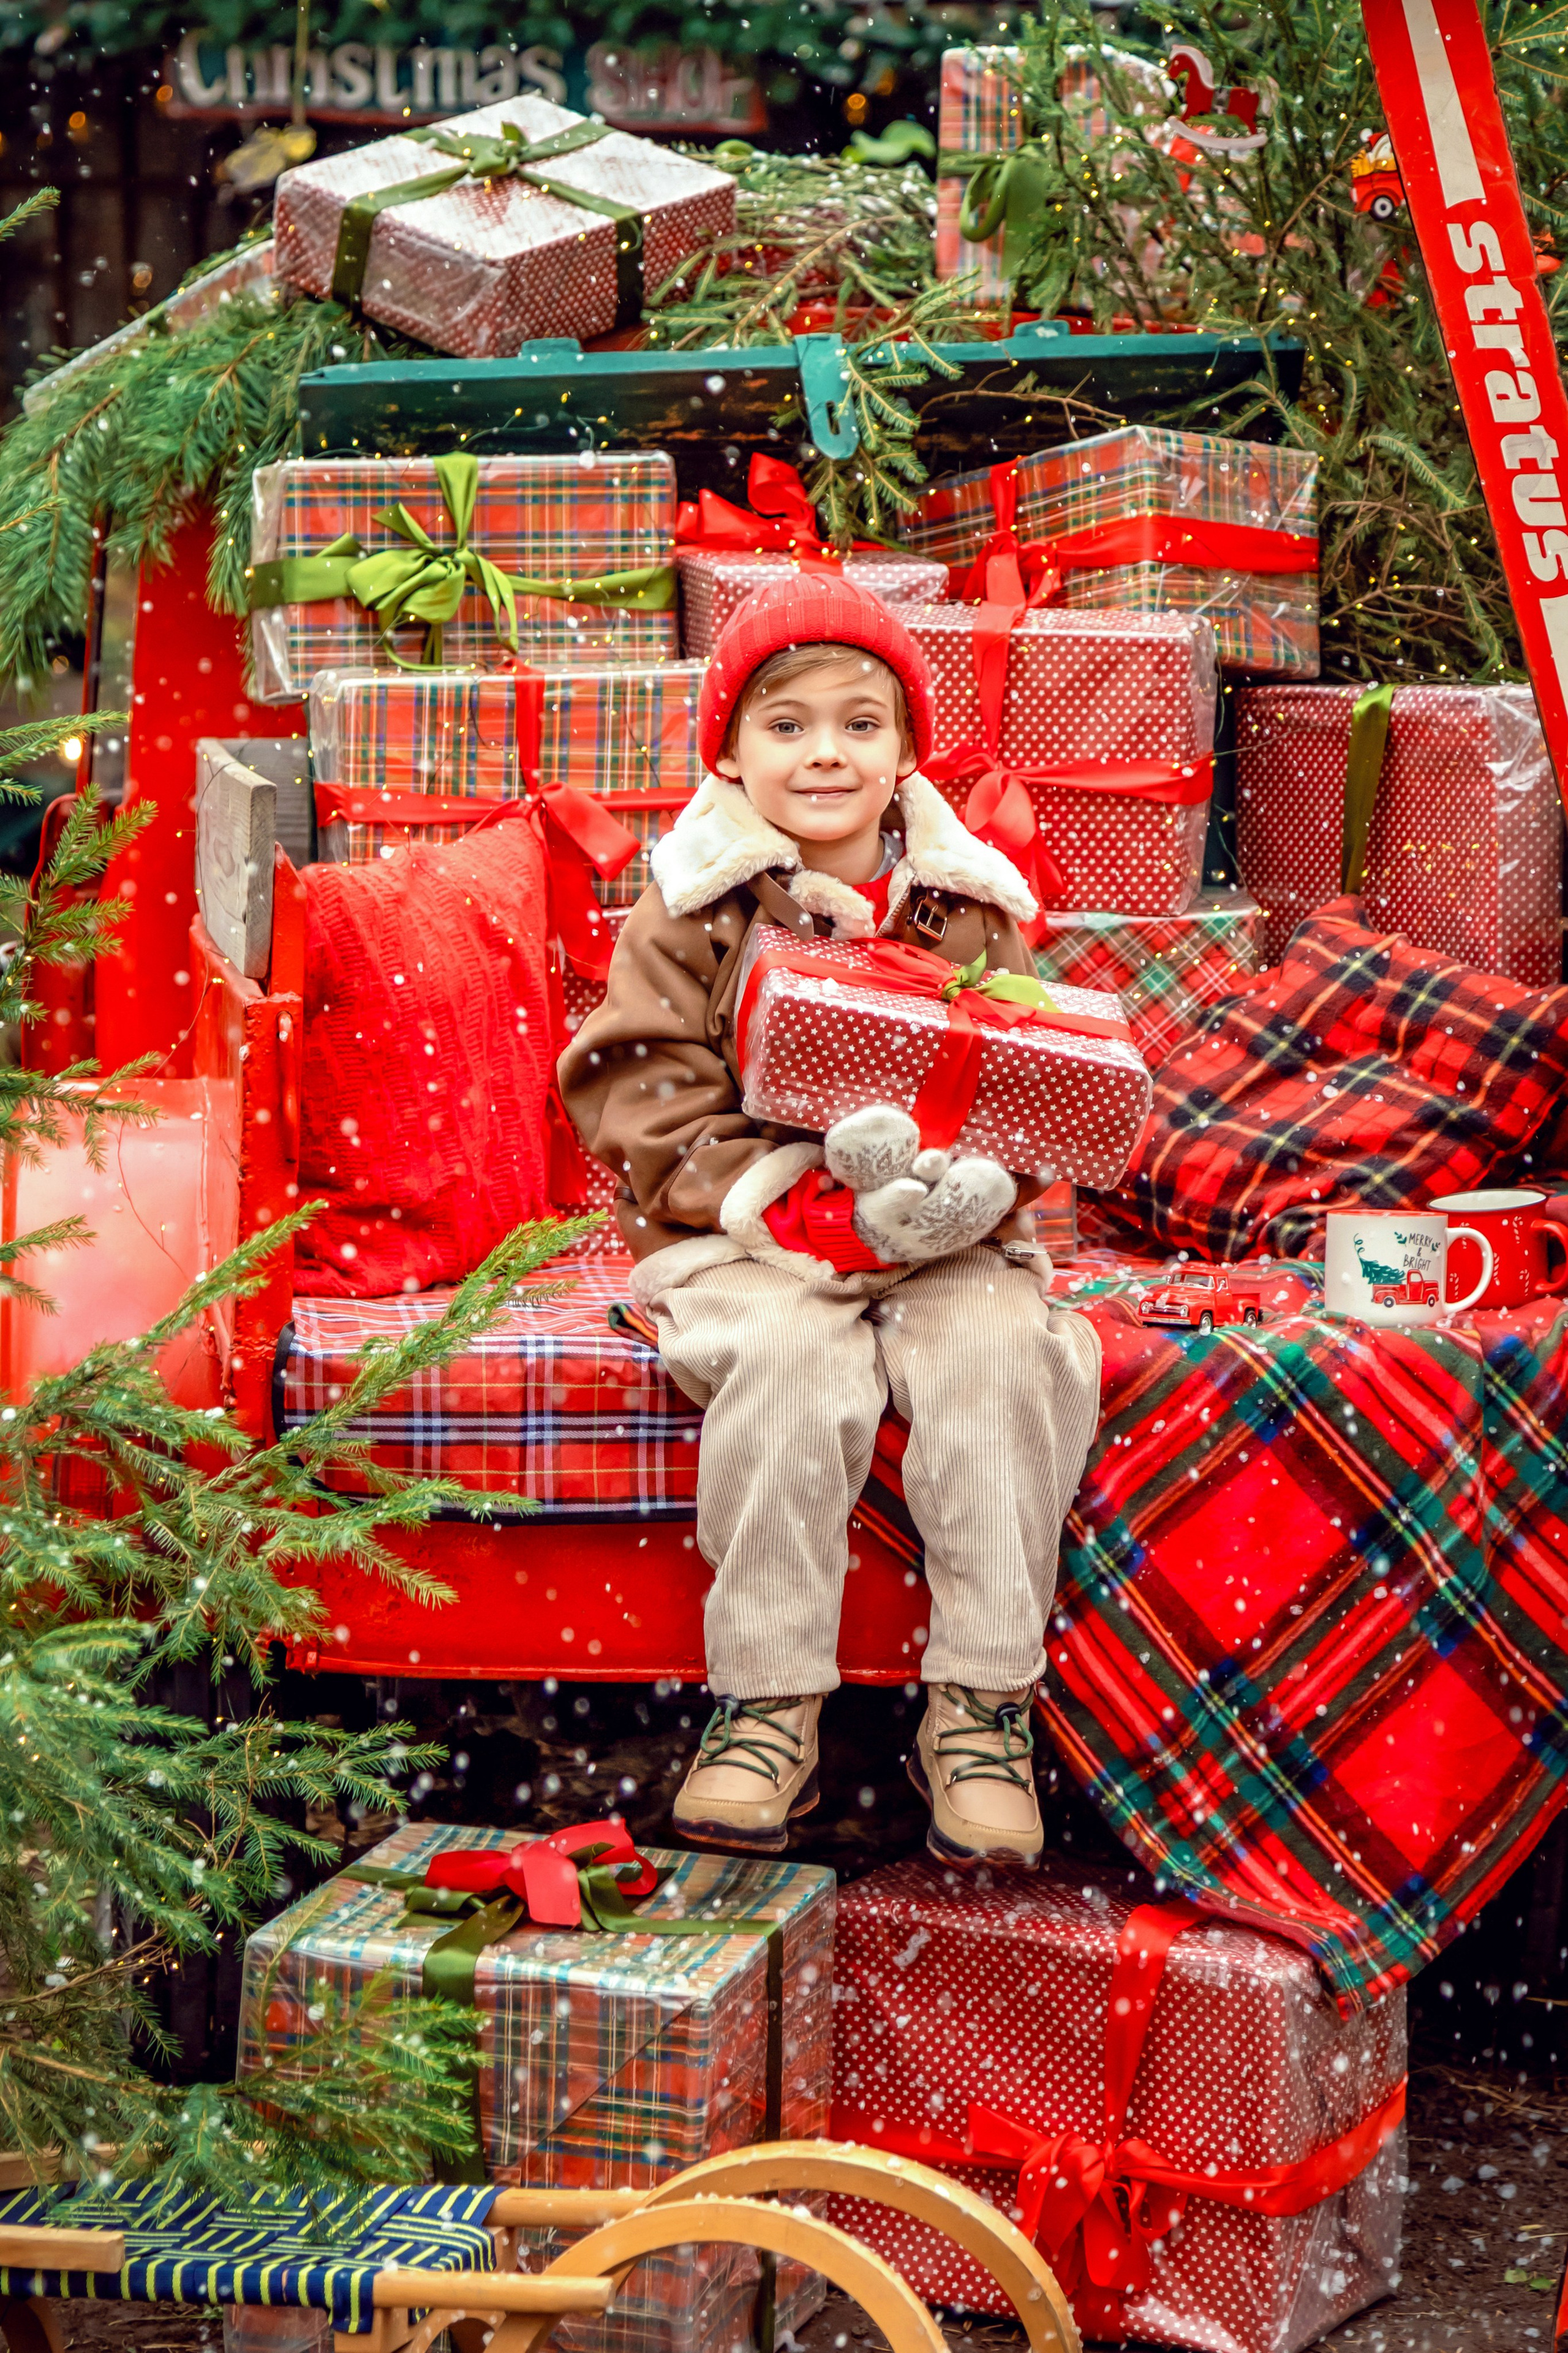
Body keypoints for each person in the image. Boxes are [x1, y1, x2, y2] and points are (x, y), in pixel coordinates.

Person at [558, 575, 1101, 1868]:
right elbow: (638, 1093)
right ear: (729, 753)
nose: (824, 754)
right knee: (795, 1362)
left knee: (1000, 1353)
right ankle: (765, 1706)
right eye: (786, 725)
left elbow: (1032, 1079)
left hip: (935, 1232)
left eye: (860, 724)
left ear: (907, 748)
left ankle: (978, 1706)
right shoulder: (694, 905)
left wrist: (983, 1189)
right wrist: (780, 1195)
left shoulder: (966, 902)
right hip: (745, 1232)